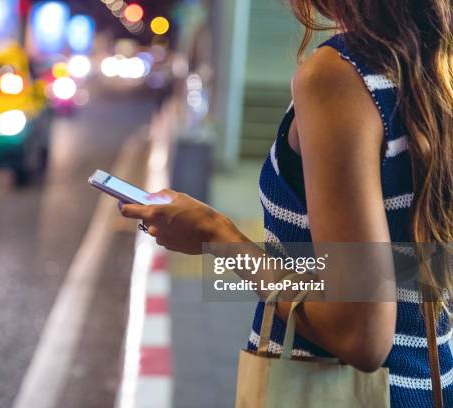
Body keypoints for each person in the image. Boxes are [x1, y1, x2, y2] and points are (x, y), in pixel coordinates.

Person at [119, 0, 452, 407]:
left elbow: (360, 333)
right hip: (429, 382)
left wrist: (217, 235)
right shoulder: (435, 65)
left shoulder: (343, 76)